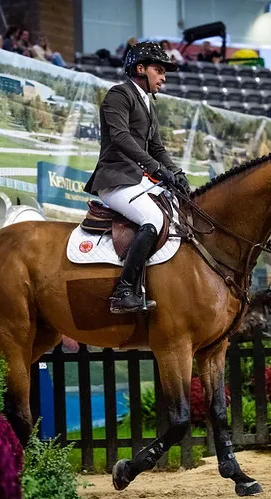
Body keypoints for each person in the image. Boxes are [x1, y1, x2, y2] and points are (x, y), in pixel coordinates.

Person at [83, 41, 189, 314]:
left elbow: (157, 148)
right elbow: (120, 138)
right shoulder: (119, 95)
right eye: (159, 70)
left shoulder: (148, 105)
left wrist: (176, 173)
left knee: (176, 214)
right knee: (153, 219)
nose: (163, 77)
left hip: (137, 179)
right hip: (116, 178)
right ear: (140, 68)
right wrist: (156, 169)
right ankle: (124, 291)